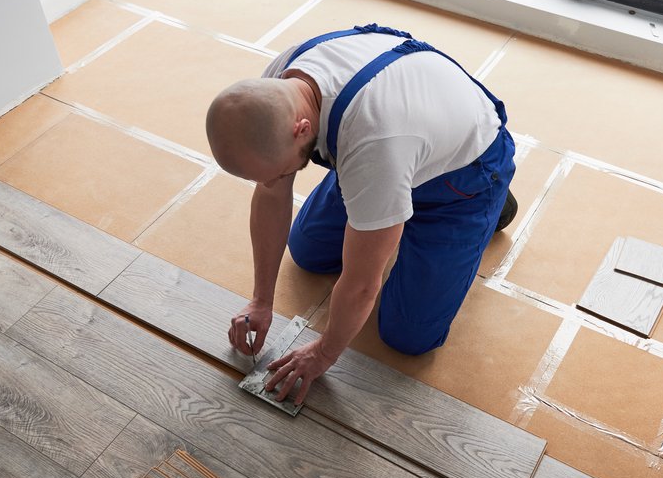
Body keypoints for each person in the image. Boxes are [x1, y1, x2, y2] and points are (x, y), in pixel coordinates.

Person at [205, 23, 517, 406]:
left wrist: (323, 354)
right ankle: (389, 207)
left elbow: (363, 285)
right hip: (395, 145)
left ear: (302, 130)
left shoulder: (375, 143)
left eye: (280, 173)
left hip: (465, 177)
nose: (274, 182)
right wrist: (260, 301)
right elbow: (271, 195)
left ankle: (490, 205)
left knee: (408, 336)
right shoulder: (275, 86)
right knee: (306, 251)